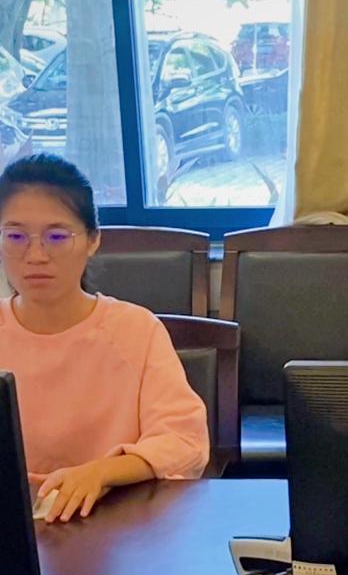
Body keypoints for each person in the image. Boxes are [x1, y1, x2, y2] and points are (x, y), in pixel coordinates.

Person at [0, 154, 209, 523]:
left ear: (93, 240)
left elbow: (185, 442)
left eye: (57, 237)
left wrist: (102, 472)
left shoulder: (135, 329)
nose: (36, 255)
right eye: (15, 236)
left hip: (117, 521)